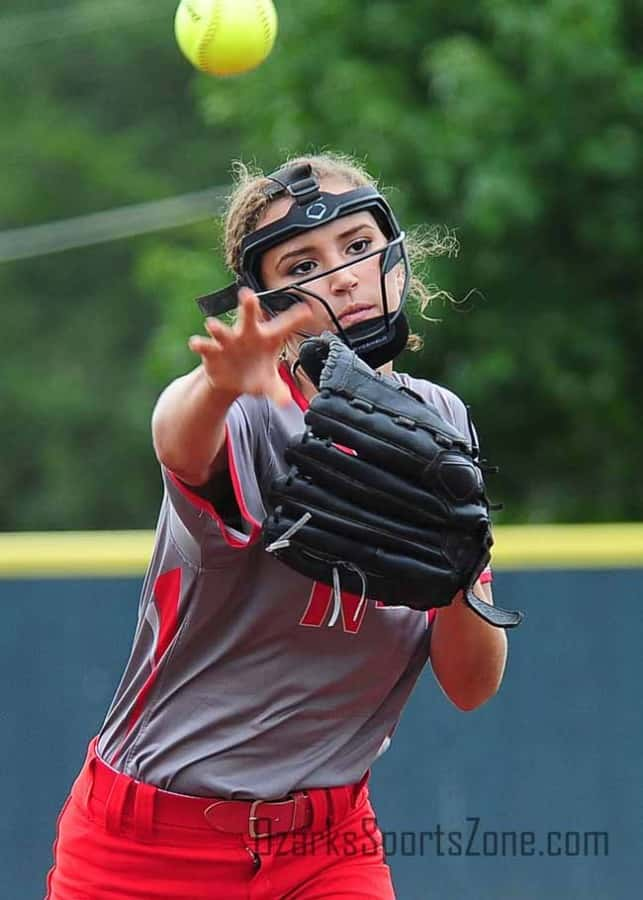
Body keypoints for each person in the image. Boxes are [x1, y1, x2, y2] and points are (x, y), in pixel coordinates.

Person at [46, 152, 509, 900]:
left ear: (396, 258)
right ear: (260, 298)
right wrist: (216, 385)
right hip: (148, 847)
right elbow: (176, 436)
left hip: (329, 848)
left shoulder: (443, 423)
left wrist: (461, 567)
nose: (339, 276)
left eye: (357, 247)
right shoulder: (246, 414)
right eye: (301, 263)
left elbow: (470, 685)